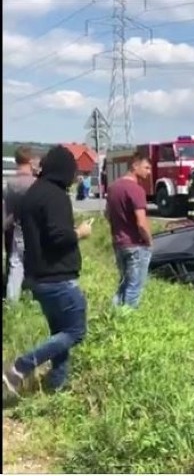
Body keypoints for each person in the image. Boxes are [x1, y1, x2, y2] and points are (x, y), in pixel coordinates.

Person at [2, 145, 92, 396]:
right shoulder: (56, 196)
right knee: (75, 332)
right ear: (64, 170)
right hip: (58, 277)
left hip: (38, 277)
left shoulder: (34, 193)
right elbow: (58, 237)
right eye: (73, 172)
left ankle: (56, 386)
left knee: (59, 335)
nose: (75, 177)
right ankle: (20, 367)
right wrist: (80, 232)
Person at [105, 152, 153, 310]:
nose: (149, 171)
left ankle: (114, 317)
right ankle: (127, 322)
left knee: (123, 284)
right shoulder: (136, 190)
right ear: (135, 166)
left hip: (119, 243)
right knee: (135, 287)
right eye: (146, 167)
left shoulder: (113, 188)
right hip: (136, 245)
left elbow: (107, 214)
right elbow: (141, 222)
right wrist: (149, 241)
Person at [3, 145, 38, 304]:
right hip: (34, 228)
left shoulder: (10, 183)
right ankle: (31, 296)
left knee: (14, 265)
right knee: (34, 264)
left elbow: (7, 210)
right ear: (30, 160)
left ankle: (12, 300)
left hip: (13, 227)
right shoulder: (35, 183)